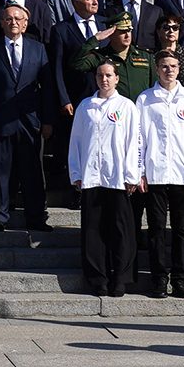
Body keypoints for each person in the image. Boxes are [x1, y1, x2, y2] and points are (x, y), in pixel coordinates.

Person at [66, 57, 140, 295]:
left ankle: (119, 276)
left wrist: (132, 174)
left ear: (117, 78)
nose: (104, 79)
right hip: (91, 176)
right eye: (100, 75)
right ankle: (97, 278)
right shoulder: (85, 106)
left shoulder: (127, 107)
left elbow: (134, 142)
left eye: (109, 75)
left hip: (117, 177)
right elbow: (76, 141)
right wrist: (76, 172)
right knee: (93, 230)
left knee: (120, 229)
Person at [131, 60, 184, 298]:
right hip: (156, 174)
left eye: (173, 66)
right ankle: (159, 279)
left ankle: (180, 279)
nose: (169, 70)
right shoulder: (145, 99)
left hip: (182, 174)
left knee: (181, 229)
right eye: (164, 66)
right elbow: (139, 138)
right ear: (157, 69)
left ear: (179, 68)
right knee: (156, 229)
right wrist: (140, 171)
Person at [0, 0, 51, 232]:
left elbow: (47, 88)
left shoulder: (38, 49)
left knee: (32, 172)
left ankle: (36, 217)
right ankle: (0, 217)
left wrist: (48, 120)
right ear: (2, 23)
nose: (13, 22)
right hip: (1, 121)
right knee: (2, 172)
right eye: (9, 19)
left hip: (30, 121)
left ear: (25, 24)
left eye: (18, 19)